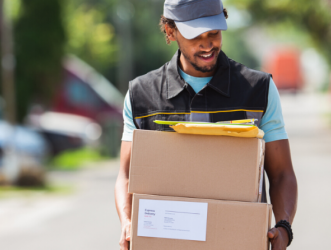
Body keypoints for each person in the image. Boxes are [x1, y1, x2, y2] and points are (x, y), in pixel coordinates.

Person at [115, 0, 298, 249]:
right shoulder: (141, 96)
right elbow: (126, 175)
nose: (207, 43)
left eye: (213, 33)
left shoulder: (259, 90)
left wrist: (284, 227)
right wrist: (127, 223)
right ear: (170, 31)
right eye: (195, 36)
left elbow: (281, 174)